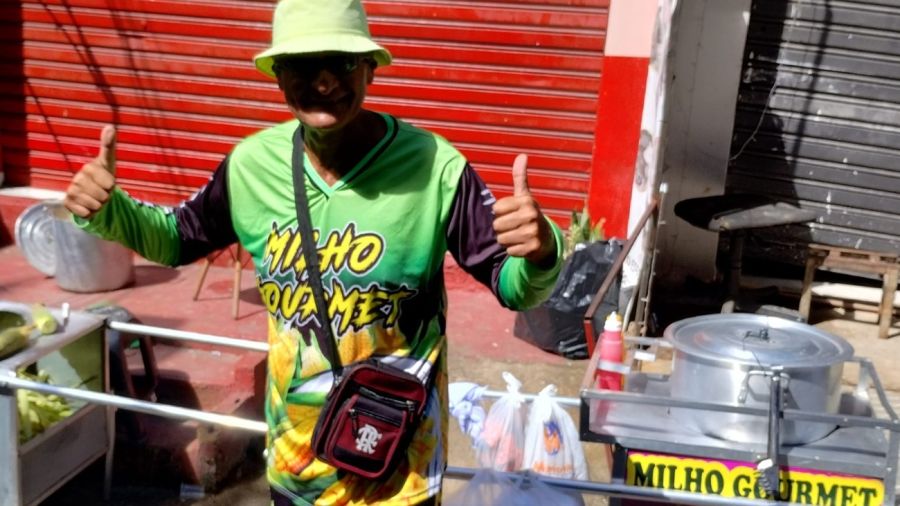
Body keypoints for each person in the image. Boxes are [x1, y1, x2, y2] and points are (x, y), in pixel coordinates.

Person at [63, 0, 563, 503]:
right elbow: (175, 238)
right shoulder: (251, 166)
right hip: (296, 462)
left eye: (341, 62)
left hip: (399, 470)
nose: (324, 81)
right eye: (303, 64)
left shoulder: (435, 167)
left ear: (370, 69)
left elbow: (512, 285)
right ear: (278, 75)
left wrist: (541, 251)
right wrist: (110, 209)